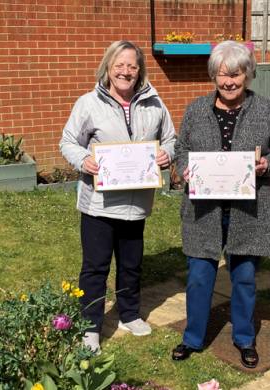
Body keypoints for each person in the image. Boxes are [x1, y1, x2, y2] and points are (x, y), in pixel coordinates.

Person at [171, 40, 270, 368]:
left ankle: (243, 338)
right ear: (213, 75)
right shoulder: (196, 109)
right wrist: (183, 166)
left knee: (243, 278)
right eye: (222, 75)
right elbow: (181, 148)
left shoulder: (265, 109)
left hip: (248, 211)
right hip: (203, 211)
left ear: (248, 75)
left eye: (236, 74)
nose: (229, 82)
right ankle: (193, 338)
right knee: (199, 276)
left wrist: (267, 164)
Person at [59, 41, 177, 353]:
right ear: (109, 68)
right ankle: (89, 328)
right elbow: (68, 141)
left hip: (136, 204)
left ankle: (128, 315)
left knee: (131, 265)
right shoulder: (88, 103)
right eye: (119, 65)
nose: (125, 72)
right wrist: (83, 159)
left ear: (140, 71)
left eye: (132, 66)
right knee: (95, 268)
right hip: (99, 204)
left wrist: (167, 153)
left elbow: (171, 139)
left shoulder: (154, 103)